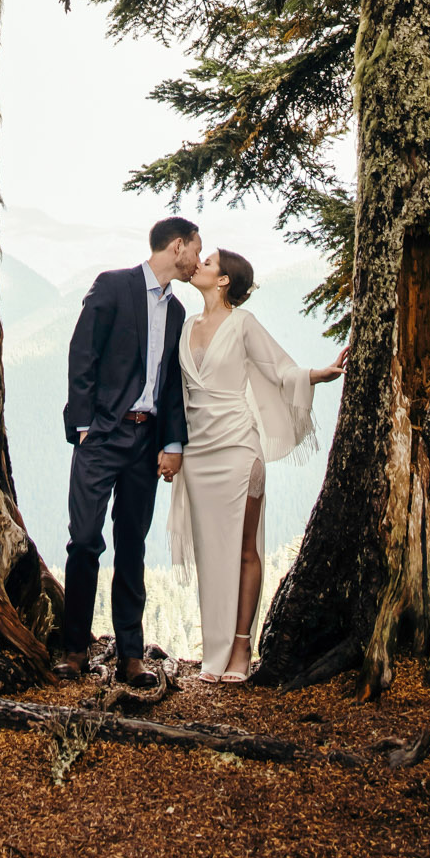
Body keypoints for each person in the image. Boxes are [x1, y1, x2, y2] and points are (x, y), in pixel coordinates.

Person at [170, 248, 347, 681]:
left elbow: (278, 368)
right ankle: (215, 650)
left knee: (245, 548)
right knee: (212, 551)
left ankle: (241, 647)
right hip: (197, 453)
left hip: (237, 447)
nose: (199, 265)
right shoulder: (186, 325)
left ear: (225, 279)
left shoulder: (243, 324)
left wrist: (317, 375)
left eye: (208, 262)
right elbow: (174, 392)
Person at [55, 215, 201, 686]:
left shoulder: (177, 313)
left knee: (132, 546)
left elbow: (172, 385)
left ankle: (131, 656)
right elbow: (83, 352)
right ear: (177, 247)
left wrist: (173, 443)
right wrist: (83, 426)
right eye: (196, 249)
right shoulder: (113, 286)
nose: (198, 259)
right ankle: (74, 648)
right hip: (101, 438)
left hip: (146, 442)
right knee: (84, 542)